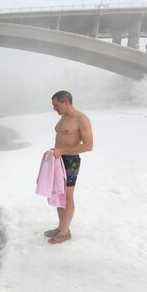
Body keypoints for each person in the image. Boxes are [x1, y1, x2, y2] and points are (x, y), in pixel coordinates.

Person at [44, 90, 93, 244]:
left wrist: (63, 151)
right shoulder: (64, 117)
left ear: (66, 102)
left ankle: (65, 232)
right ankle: (61, 227)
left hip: (70, 160)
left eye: (56, 105)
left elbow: (88, 146)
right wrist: (55, 151)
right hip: (57, 159)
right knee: (58, 193)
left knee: (67, 195)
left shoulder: (81, 119)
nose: (54, 108)